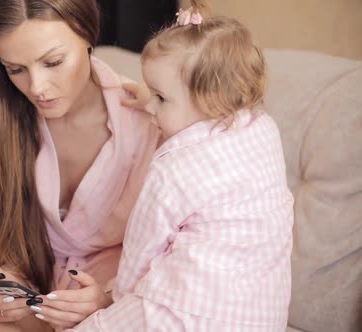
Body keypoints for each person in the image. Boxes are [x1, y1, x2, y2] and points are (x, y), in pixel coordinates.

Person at [71, 1, 294, 331]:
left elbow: (142, 246)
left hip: (187, 311)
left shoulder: (173, 167)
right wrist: (152, 97)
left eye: (160, 97)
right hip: (261, 315)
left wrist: (117, 298)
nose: (152, 106)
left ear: (209, 99)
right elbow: (192, 112)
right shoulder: (262, 129)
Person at [0, 0, 159, 330]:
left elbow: (176, 252)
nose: (37, 88)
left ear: (88, 37)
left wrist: (110, 297)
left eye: (54, 62)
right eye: (15, 69)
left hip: (121, 300)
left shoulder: (152, 121)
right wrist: (1, 282)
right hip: (34, 298)